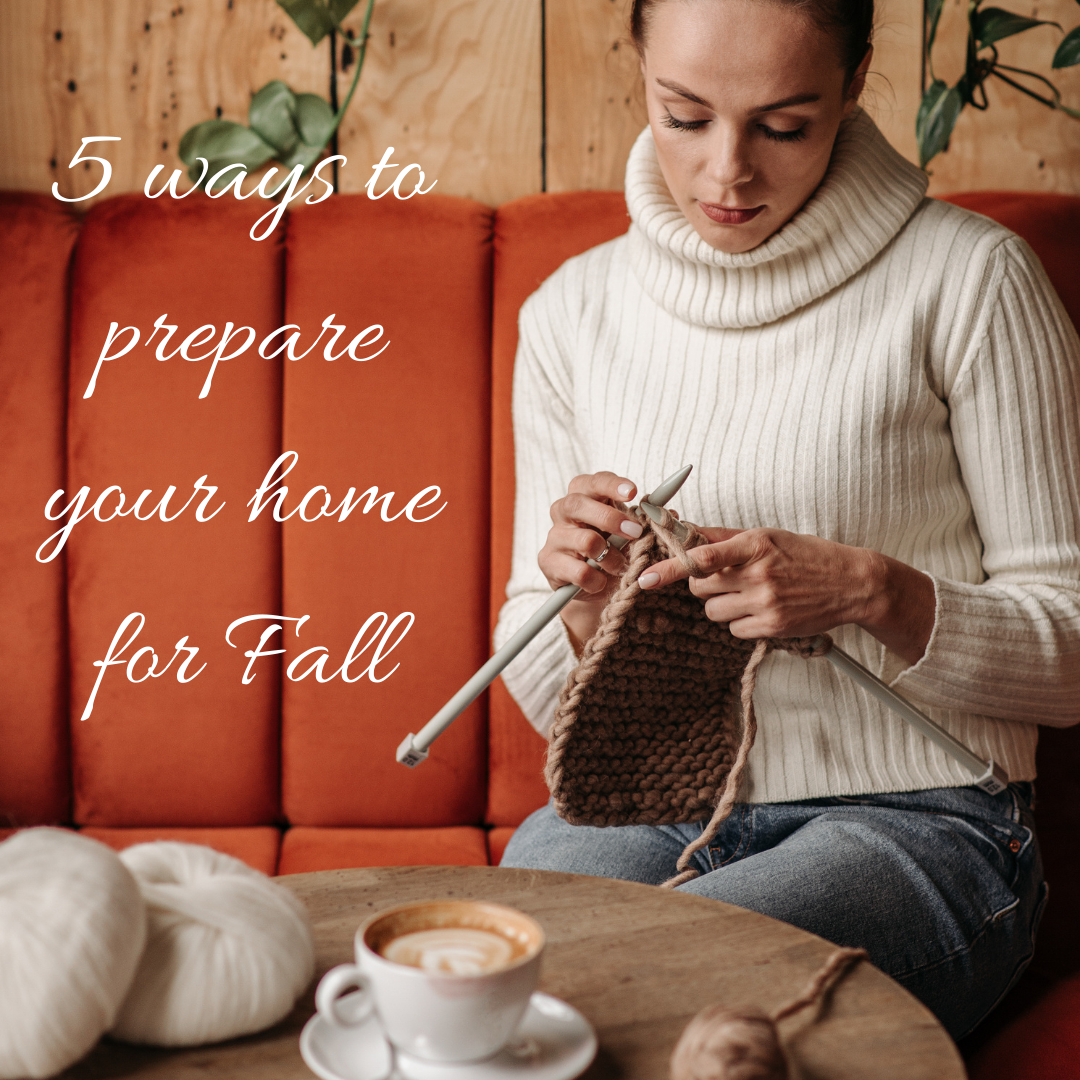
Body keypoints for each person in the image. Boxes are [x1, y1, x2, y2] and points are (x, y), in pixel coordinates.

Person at [493, 0, 1080, 1041]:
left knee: (628, 995)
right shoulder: (569, 317)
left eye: (783, 124)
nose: (727, 174)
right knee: (506, 978)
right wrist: (579, 607)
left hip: (924, 819)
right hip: (647, 805)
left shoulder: (972, 282)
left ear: (855, 85)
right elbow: (545, 705)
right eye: (685, 115)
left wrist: (873, 594)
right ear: (639, 73)